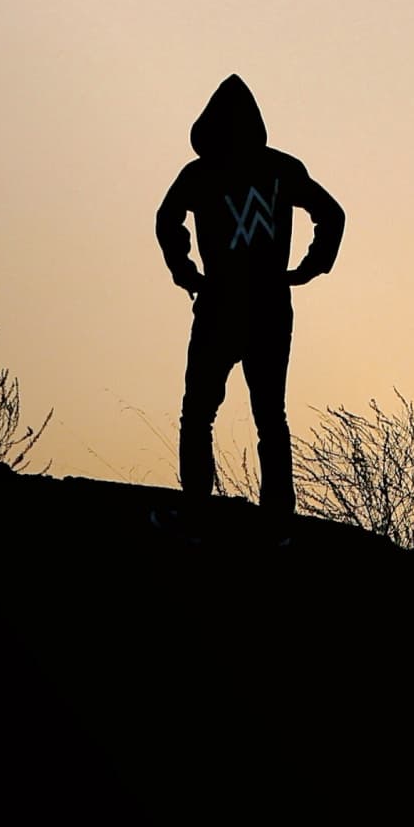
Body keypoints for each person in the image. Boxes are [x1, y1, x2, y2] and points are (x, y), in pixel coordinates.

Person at [155, 75, 344, 519]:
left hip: (221, 301)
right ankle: (278, 523)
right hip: (271, 304)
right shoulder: (283, 168)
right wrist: (309, 267)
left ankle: (196, 516)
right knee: (270, 418)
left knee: (198, 414)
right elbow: (332, 214)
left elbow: (167, 220)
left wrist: (186, 272)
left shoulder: (200, 173)